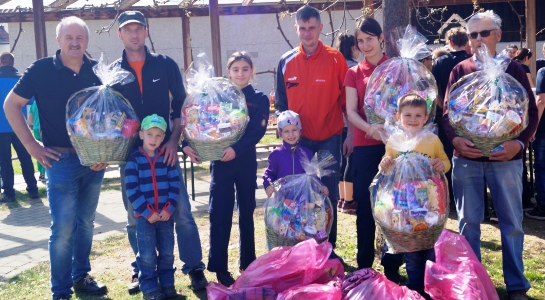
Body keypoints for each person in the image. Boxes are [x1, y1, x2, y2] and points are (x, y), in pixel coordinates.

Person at [4, 17, 109, 300]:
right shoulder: (41, 69)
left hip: (94, 162)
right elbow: (11, 105)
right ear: (58, 39)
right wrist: (30, 145)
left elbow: (112, 117)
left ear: (87, 41)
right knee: (62, 229)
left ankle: (81, 276)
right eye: (69, 37)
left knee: (86, 224)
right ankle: (60, 290)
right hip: (59, 161)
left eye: (80, 38)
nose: (75, 42)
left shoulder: (99, 71)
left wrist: (107, 154)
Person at [110, 11, 208, 293]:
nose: (134, 34)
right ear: (120, 34)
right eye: (128, 29)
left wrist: (173, 140)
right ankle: (142, 270)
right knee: (135, 217)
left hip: (165, 154)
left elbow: (181, 104)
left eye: (139, 28)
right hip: (131, 157)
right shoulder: (115, 71)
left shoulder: (165, 64)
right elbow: (111, 115)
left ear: (147, 31)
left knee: (182, 213)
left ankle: (194, 268)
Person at [442, 10, 537, 300]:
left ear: (497, 35)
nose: (479, 39)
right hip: (467, 160)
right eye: (473, 35)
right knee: (468, 223)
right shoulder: (460, 70)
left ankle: (517, 285)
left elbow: (530, 113)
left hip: (506, 161)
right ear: (468, 40)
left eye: (485, 33)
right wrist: (456, 139)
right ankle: (473, 282)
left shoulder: (514, 70)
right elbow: (447, 113)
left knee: (511, 225)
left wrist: (518, 144)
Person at [184, 51, 269, 287]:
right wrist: (189, 144)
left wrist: (237, 149)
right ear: (228, 73)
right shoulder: (218, 97)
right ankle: (220, 268)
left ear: (252, 71)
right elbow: (199, 123)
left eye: (244, 69)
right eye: (235, 69)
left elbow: (256, 131)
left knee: (246, 213)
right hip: (220, 162)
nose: (240, 74)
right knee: (219, 213)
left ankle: (248, 263)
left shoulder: (259, 98)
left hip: (244, 161)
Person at [276, 6, 349, 259]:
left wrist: (348, 135)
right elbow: (282, 106)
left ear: (320, 28)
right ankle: (302, 245)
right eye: (302, 28)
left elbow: (345, 100)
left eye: (312, 28)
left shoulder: (335, 59)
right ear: (296, 29)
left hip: (330, 137)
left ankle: (328, 247)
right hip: (300, 141)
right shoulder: (286, 61)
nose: (307, 33)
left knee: (327, 191)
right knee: (299, 193)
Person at [344, 16, 403, 281]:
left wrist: (394, 129)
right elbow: (351, 112)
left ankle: (392, 265)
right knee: (367, 207)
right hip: (366, 147)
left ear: (381, 38)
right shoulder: (354, 73)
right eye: (361, 41)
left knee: (394, 206)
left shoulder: (397, 68)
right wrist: (371, 129)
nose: (366, 45)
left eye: (370, 39)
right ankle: (365, 264)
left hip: (393, 147)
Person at [380, 94, 450, 298]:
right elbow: (384, 168)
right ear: (398, 116)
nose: (413, 119)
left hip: (429, 202)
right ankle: (415, 287)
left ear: (426, 117)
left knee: (426, 245)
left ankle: (424, 283)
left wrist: (441, 165)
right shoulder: (394, 141)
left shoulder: (432, 140)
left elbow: (446, 163)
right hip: (402, 203)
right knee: (408, 245)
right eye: (408, 115)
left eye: (418, 115)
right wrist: (384, 164)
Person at [125, 114, 180, 300]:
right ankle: (149, 287)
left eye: (158, 135)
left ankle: (167, 284)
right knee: (147, 255)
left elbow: (175, 185)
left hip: (165, 217)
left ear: (164, 137)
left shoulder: (166, 159)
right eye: (149, 134)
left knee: (166, 252)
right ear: (141, 134)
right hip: (145, 218)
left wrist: (168, 209)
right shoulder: (134, 160)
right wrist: (147, 212)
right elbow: (132, 190)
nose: (153, 139)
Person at [432, 27, 471, 211]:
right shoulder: (471, 60)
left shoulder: (439, 61)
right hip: (470, 119)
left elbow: (432, 90)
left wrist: (444, 107)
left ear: (449, 42)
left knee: (446, 156)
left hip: (445, 117)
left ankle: (450, 199)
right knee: (469, 156)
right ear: (467, 41)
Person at [0, 52, 39, 202]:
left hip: (1, 129)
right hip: (19, 126)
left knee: (5, 161)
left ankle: (9, 194)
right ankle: (33, 190)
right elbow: (31, 101)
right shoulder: (22, 80)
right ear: (13, 63)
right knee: (25, 158)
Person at [263, 110, 327, 197]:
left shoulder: (307, 153)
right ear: (280, 133)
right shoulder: (276, 154)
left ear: (300, 131)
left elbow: (313, 176)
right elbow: (269, 173)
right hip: (283, 201)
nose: (291, 135)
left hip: (303, 200)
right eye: (286, 131)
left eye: (294, 130)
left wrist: (320, 186)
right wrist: (268, 185)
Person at [335, 32, 357, 214]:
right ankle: (349, 200)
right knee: (351, 159)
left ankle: (342, 198)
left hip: (338, 121)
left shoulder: (335, 65)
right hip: (351, 122)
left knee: (343, 160)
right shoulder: (353, 68)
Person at [527, 65, 545, 220]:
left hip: (544, 128)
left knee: (541, 167)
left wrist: (533, 128)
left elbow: (541, 100)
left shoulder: (543, 71)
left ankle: (543, 206)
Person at [28, 101, 46, 183]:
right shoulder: (46, 102)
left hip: (36, 129)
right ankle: (46, 172)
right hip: (45, 129)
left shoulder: (33, 105)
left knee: (38, 150)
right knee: (47, 150)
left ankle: (41, 173)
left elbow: (30, 121)